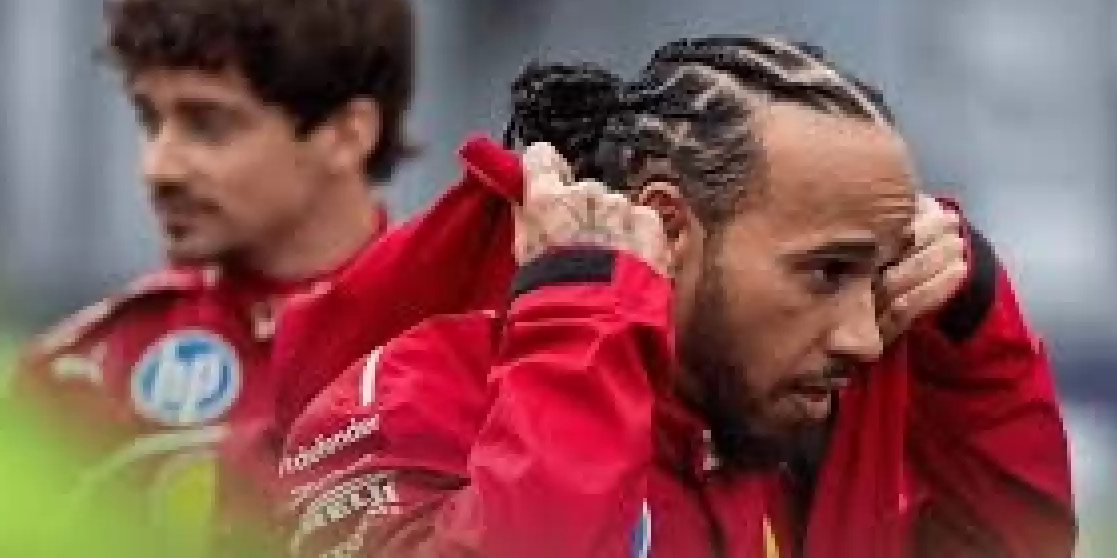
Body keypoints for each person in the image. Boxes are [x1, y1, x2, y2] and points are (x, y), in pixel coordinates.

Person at [280, 36, 1075, 557]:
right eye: (828, 272)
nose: (862, 336)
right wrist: (580, 327)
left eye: (879, 273)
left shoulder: (781, 436)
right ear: (669, 225)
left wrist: (973, 328)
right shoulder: (425, 394)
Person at [7, 0, 415, 552]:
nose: (159, 167)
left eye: (208, 124)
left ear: (346, 134)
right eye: (151, 120)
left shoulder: (480, 347)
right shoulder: (82, 373)